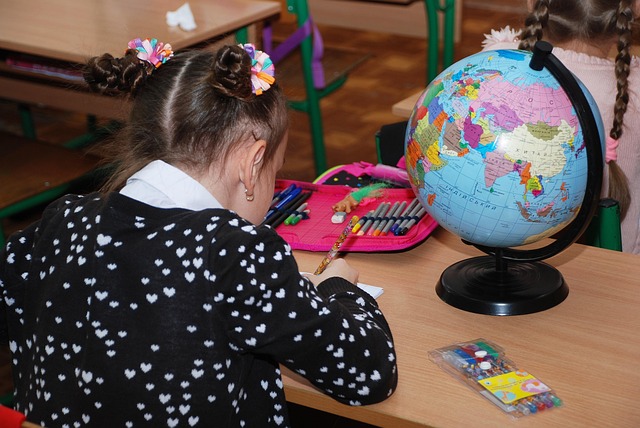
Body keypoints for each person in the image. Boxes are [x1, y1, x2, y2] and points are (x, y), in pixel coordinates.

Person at [0, 39, 397, 426]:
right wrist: (340, 289)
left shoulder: (61, 218)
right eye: (275, 172)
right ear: (253, 161)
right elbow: (370, 373)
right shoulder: (233, 252)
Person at [481, 0, 640, 254]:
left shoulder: (495, 57)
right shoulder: (634, 89)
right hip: (614, 264)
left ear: (534, 2)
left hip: (499, 245)